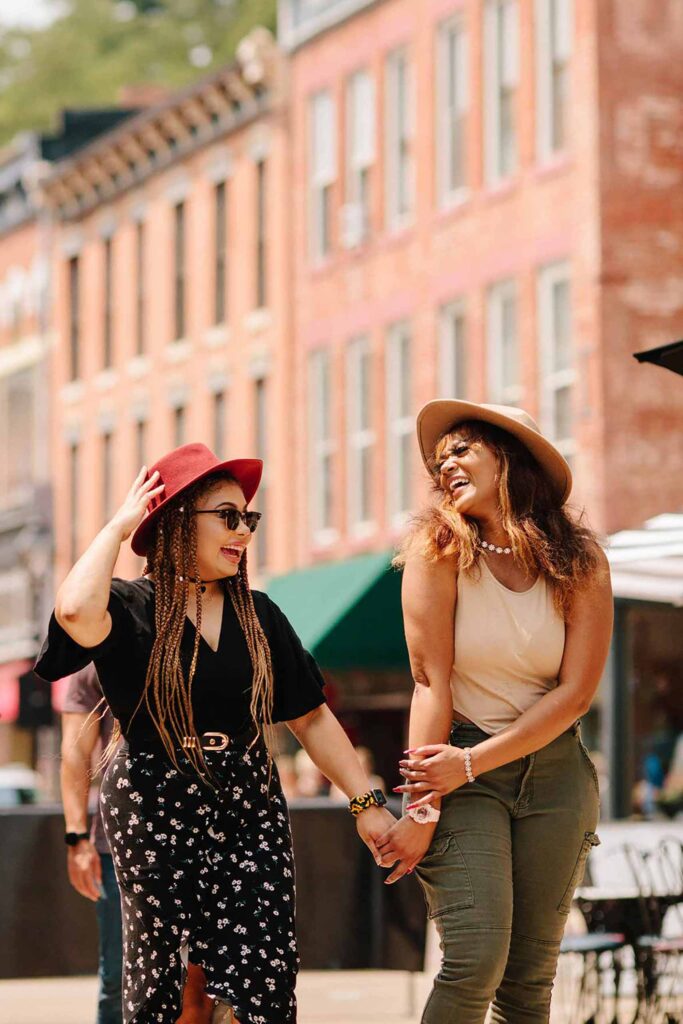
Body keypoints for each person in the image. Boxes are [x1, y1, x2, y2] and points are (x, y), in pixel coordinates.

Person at [36, 443, 395, 1024]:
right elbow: (75, 610)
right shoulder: (129, 607)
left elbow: (309, 715)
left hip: (247, 797)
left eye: (248, 518)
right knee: (161, 981)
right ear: (178, 519)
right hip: (154, 797)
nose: (243, 532)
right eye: (227, 516)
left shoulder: (260, 614)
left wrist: (365, 803)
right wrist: (120, 524)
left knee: (267, 976)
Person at [376, 401, 613, 1024]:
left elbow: (577, 692)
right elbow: (430, 683)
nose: (444, 465)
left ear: (510, 455)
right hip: (459, 769)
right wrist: (422, 808)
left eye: (461, 449)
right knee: (475, 959)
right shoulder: (438, 548)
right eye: (439, 459)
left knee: (528, 982)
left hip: (555, 776)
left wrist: (472, 763)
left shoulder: (580, 560)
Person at [61, 664, 123, 1024]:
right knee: (119, 975)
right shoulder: (94, 658)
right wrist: (77, 836)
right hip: (117, 843)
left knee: (207, 978)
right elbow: (74, 751)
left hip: (207, 834)